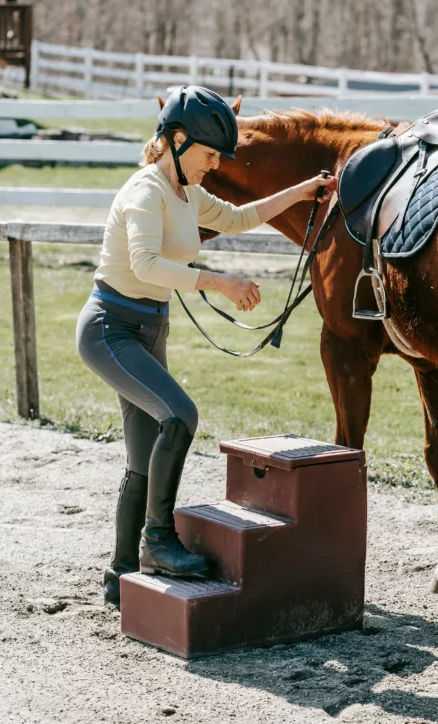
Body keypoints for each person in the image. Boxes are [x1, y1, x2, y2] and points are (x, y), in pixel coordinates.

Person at [75, 85, 337, 606]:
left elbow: (239, 218)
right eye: (209, 153)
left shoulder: (186, 192)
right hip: (111, 328)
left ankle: (120, 576)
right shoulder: (146, 192)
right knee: (180, 416)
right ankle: (159, 540)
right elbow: (147, 264)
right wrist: (221, 282)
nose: (214, 165)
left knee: (141, 457)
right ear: (175, 140)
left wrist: (303, 189)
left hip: (150, 329)